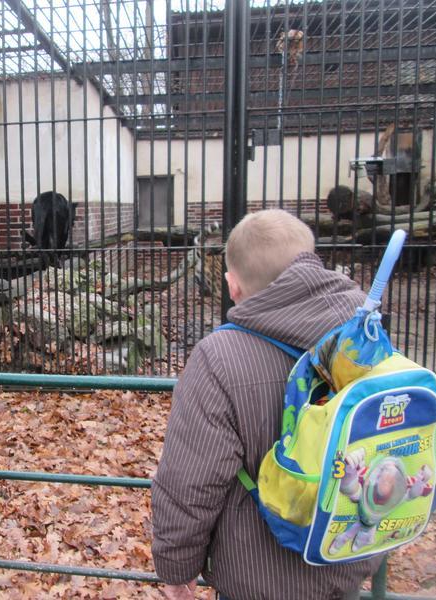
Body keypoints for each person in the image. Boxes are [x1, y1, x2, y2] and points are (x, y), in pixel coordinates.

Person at [151, 210, 382, 600]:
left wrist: (177, 568)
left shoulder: (219, 358)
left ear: (233, 285)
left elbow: (191, 481)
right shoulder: (364, 339)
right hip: (345, 558)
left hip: (258, 578)